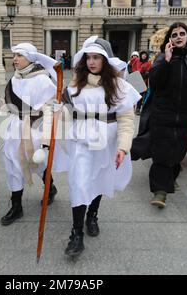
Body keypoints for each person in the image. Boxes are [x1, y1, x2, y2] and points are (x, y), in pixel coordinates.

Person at [60, 36, 140, 257]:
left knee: (99, 180)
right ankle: (76, 234)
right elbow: (67, 113)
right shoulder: (75, 85)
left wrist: (123, 148)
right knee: (79, 182)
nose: (91, 62)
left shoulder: (119, 86)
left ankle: (92, 214)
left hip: (107, 144)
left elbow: (126, 120)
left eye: (96, 57)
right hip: (81, 143)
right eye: (88, 58)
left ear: (106, 60)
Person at [131, 22, 187, 208]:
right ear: (170, 39)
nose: (178, 37)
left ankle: (170, 176)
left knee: (178, 153)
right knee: (161, 154)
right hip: (163, 116)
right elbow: (155, 82)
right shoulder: (163, 59)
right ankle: (160, 191)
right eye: (174, 34)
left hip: (186, 117)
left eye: (182, 34)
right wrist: (168, 60)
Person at [0, 42, 66, 226]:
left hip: (35, 128)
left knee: (37, 163)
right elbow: (11, 104)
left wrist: (54, 110)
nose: (15, 59)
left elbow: (51, 106)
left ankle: (49, 187)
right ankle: (16, 206)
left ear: (30, 58)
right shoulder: (14, 79)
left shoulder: (42, 80)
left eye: (19, 56)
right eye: (14, 56)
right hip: (14, 128)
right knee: (12, 165)